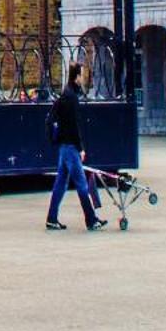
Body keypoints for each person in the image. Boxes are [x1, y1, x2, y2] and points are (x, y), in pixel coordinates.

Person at [46, 62, 105, 233]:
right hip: (71, 147)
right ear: (77, 76)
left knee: (60, 183)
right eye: (82, 74)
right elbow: (74, 125)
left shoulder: (65, 94)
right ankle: (91, 220)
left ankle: (51, 218)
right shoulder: (71, 97)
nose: (84, 78)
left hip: (64, 146)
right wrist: (81, 148)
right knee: (81, 184)